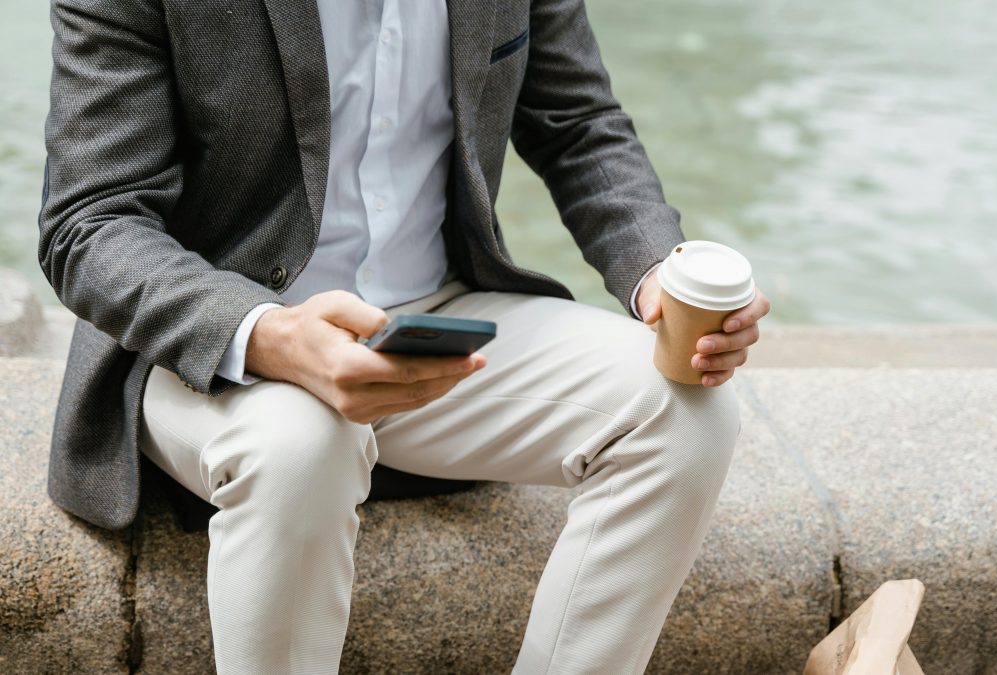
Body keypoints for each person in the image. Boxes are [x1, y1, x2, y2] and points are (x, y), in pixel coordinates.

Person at [38, 0, 771, 672]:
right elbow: (92, 222)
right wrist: (266, 332)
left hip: (437, 316)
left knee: (684, 410)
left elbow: (577, 125)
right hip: (215, 336)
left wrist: (658, 274)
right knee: (302, 444)